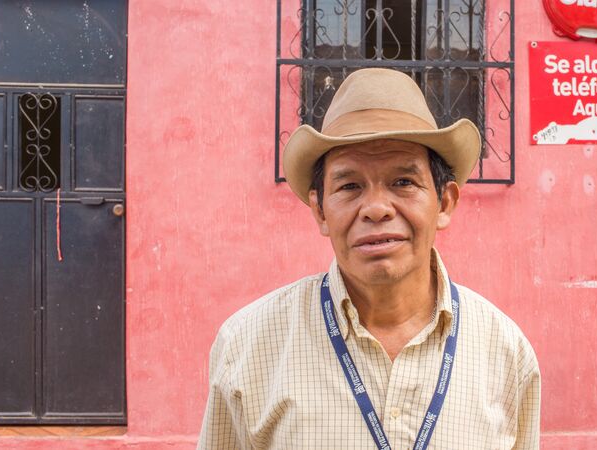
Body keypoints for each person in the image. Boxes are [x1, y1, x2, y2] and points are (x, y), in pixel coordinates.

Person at [198, 68, 540, 449]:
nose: (376, 209)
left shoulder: (506, 352)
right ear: (321, 211)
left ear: (444, 203)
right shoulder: (247, 346)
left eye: (403, 182)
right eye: (349, 186)